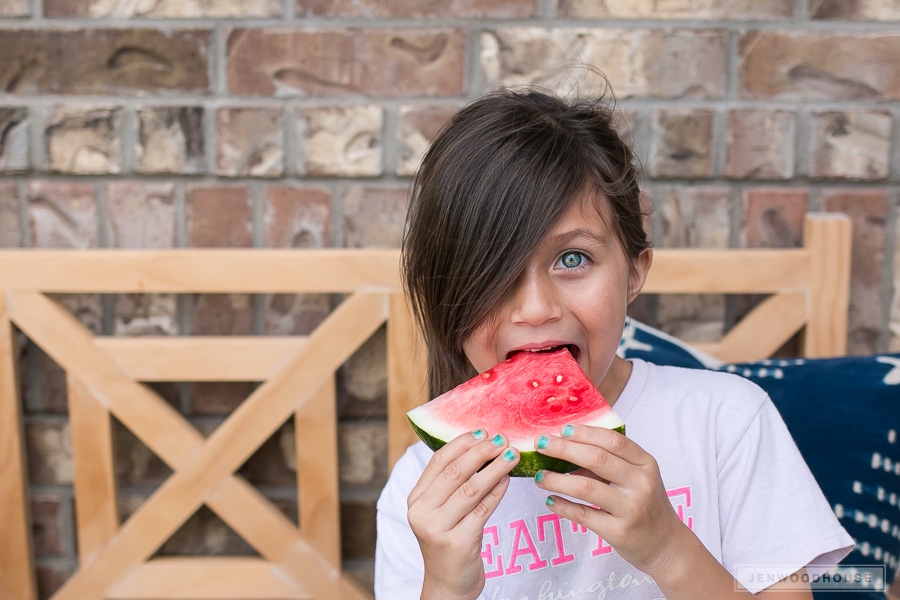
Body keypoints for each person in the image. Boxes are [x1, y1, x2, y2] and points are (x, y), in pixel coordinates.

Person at [375, 84, 853, 600]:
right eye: (493, 270)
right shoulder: (420, 493)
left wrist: (668, 548)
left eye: (573, 259)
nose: (536, 308)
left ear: (633, 272)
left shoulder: (727, 422)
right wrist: (445, 586)